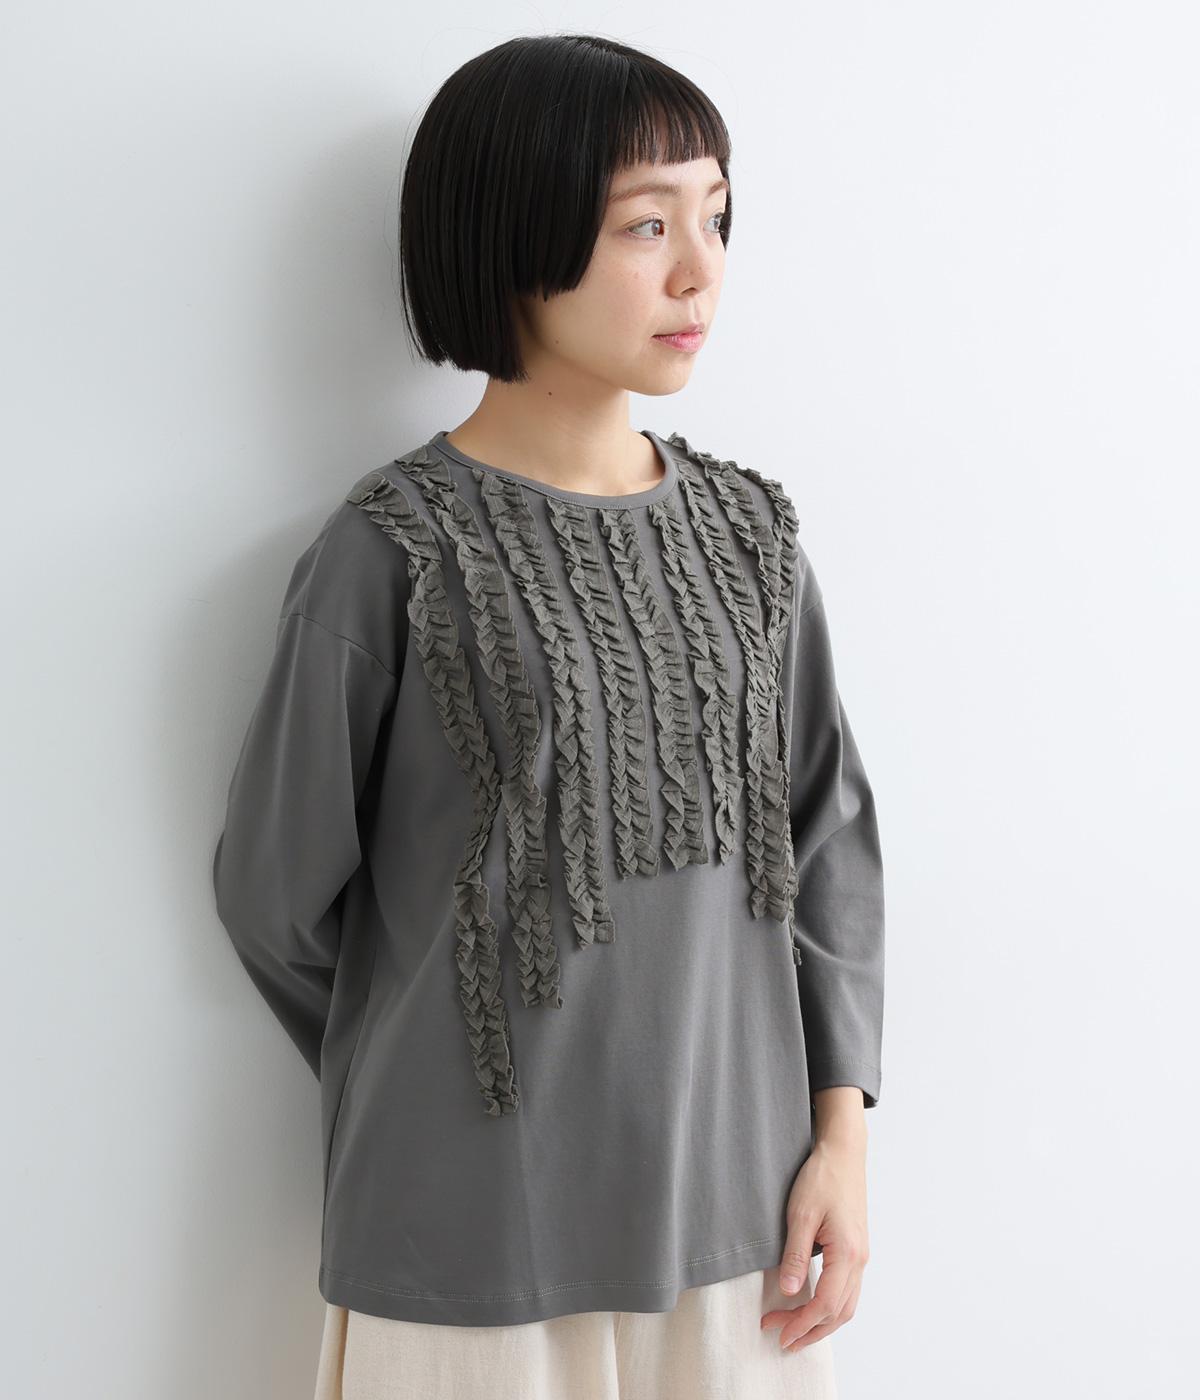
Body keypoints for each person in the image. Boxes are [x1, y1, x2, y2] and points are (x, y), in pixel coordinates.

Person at [212, 31, 886, 1400]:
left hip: (738, 1235)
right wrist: (454, 1060)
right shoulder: (392, 549)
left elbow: (827, 848)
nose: (699, 270)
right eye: (647, 224)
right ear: (513, 235)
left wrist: (841, 1140)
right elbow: (276, 898)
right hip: (467, 1252)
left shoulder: (751, 539)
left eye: (717, 217)